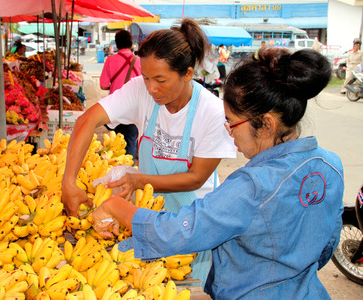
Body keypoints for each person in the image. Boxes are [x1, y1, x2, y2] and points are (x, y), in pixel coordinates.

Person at [91, 48, 344, 299]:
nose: (229, 131)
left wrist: (116, 207)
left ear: (266, 125)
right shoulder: (331, 166)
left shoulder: (252, 186)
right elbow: (326, 246)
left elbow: (179, 231)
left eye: (231, 122)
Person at [62, 19, 236, 286]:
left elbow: (196, 178)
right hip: (146, 215)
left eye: (161, 80)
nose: (152, 88)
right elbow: (87, 121)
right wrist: (68, 182)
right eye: (146, 78)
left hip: (193, 222)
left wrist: (138, 180)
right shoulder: (141, 91)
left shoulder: (211, 112)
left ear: (188, 74)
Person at [100, 30, 141, 157]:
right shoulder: (140, 61)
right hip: (134, 107)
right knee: (130, 141)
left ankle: (114, 169)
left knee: (115, 141)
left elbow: (103, 85)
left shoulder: (110, 60)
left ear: (116, 44)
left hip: (116, 107)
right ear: (131, 44)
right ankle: (128, 170)